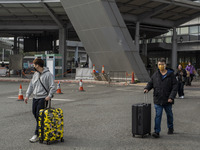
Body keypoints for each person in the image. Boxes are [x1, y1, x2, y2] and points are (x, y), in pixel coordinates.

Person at [24, 58, 56, 143]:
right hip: (35, 97)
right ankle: (44, 128)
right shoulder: (35, 74)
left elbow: (53, 86)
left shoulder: (48, 74)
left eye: (34, 64)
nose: (33, 66)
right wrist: (27, 95)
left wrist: (49, 96)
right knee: (35, 114)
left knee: (39, 115)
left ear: (37, 65)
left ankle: (37, 134)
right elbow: (31, 85)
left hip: (43, 98)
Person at [144, 58, 178, 138]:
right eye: (159, 64)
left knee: (169, 114)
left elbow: (175, 87)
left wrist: (171, 97)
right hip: (158, 99)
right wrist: (147, 88)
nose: (160, 66)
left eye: (162, 64)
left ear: (165, 65)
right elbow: (151, 83)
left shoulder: (171, 74)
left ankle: (170, 128)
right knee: (158, 115)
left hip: (168, 99)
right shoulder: (155, 74)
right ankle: (157, 131)